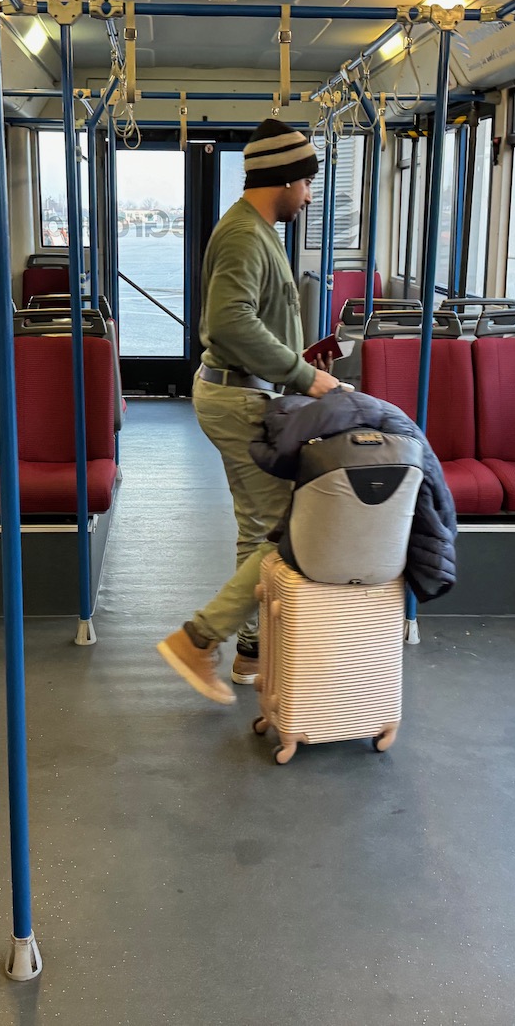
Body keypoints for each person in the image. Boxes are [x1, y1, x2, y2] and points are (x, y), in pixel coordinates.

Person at [156, 118, 340, 704]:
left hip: (247, 389)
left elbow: (258, 319)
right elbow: (230, 324)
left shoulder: (260, 232)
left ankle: (253, 654)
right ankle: (198, 640)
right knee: (282, 532)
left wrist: (295, 363)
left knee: (257, 528)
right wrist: (307, 377)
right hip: (239, 396)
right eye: (306, 183)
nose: (308, 196)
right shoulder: (243, 235)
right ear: (284, 178)